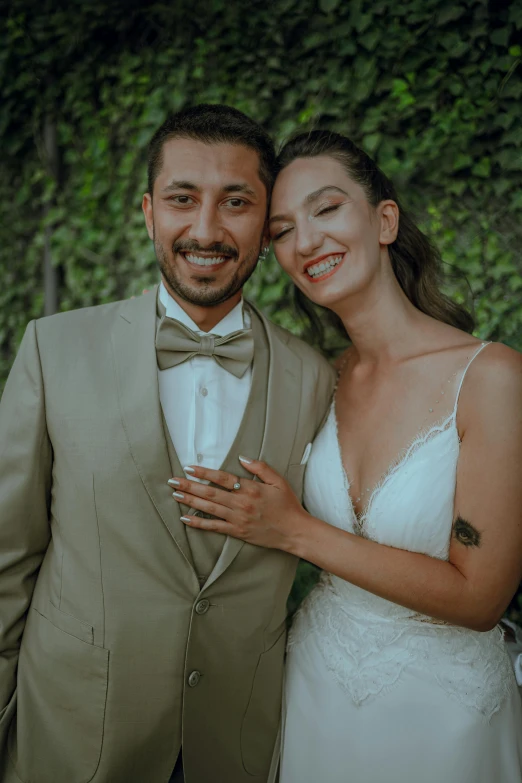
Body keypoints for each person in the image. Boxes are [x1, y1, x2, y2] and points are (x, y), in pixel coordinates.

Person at [170, 130, 522, 782]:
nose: (305, 242)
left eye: (326, 209)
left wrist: (295, 530)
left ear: (384, 219)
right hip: (314, 697)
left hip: (445, 720)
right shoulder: (318, 380)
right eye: (281, 229)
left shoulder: (491, 377)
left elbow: (480, 596)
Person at [0, 107, 335, 783]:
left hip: (239, 744)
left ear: (266, 225)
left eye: (236, 202)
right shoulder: (53, 349)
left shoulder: (317, 377)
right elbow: (6, 560)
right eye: (183, 199)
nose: (206, 230)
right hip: (72, 737)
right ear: (149, 211)